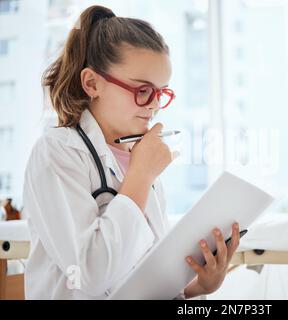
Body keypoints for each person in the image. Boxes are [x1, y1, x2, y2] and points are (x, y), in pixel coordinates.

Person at [23, 5, 240, 299]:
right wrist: (140, 173)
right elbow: (89, 274)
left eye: (161, 93)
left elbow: (143, 271)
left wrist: (197, 286)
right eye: (142, 90)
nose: (153, 105)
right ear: (92, 83)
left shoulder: (138, 158)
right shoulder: (58, 152)